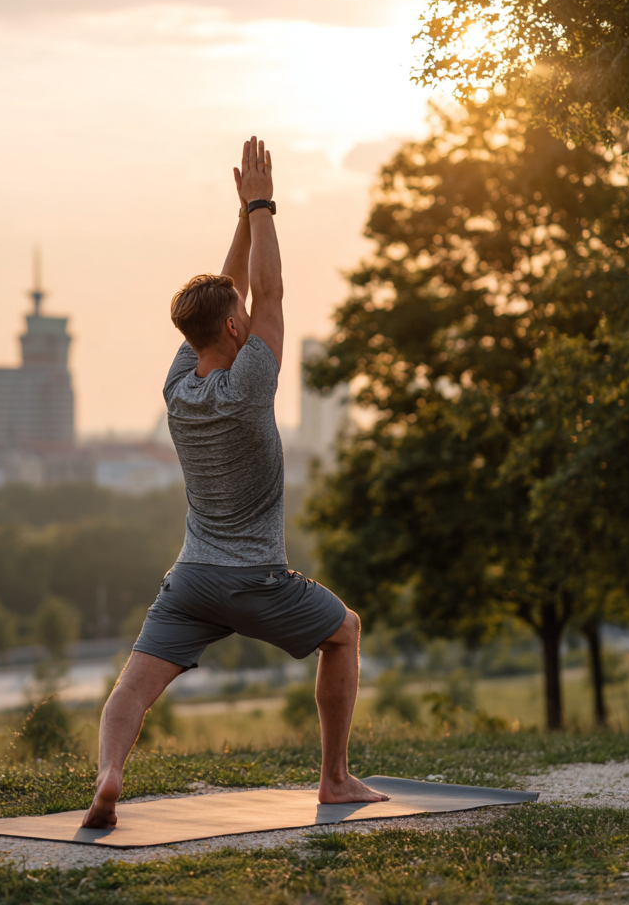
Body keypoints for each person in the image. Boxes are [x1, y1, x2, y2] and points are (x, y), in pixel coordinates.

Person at [82, 135, 387, 829]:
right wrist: (262, 205)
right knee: (345, 631)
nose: (249, 314)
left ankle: (108, 775)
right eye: (238, 315)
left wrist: (240, 218)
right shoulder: (251, 383)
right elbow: (269, 289)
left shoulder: (178, 384)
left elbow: (230, 295)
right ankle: (335, 779)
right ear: (232, 326)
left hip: (192, 578)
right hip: (253, 577)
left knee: (132, 689)